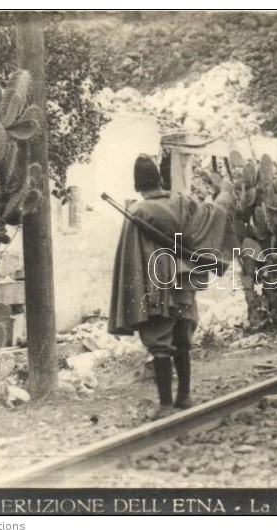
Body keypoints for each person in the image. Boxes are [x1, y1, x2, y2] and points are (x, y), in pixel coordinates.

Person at [108, 155, 234, 415]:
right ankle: (184, 396)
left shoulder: (137, 211)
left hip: (155, 285)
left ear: (138, 185)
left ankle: (165, 405)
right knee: (182, 338)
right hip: (183, 281)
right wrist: (223, 197)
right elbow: (211, 218)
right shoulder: (182, 202)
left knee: (159, 340)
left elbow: (131, 259)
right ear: (160, 179)